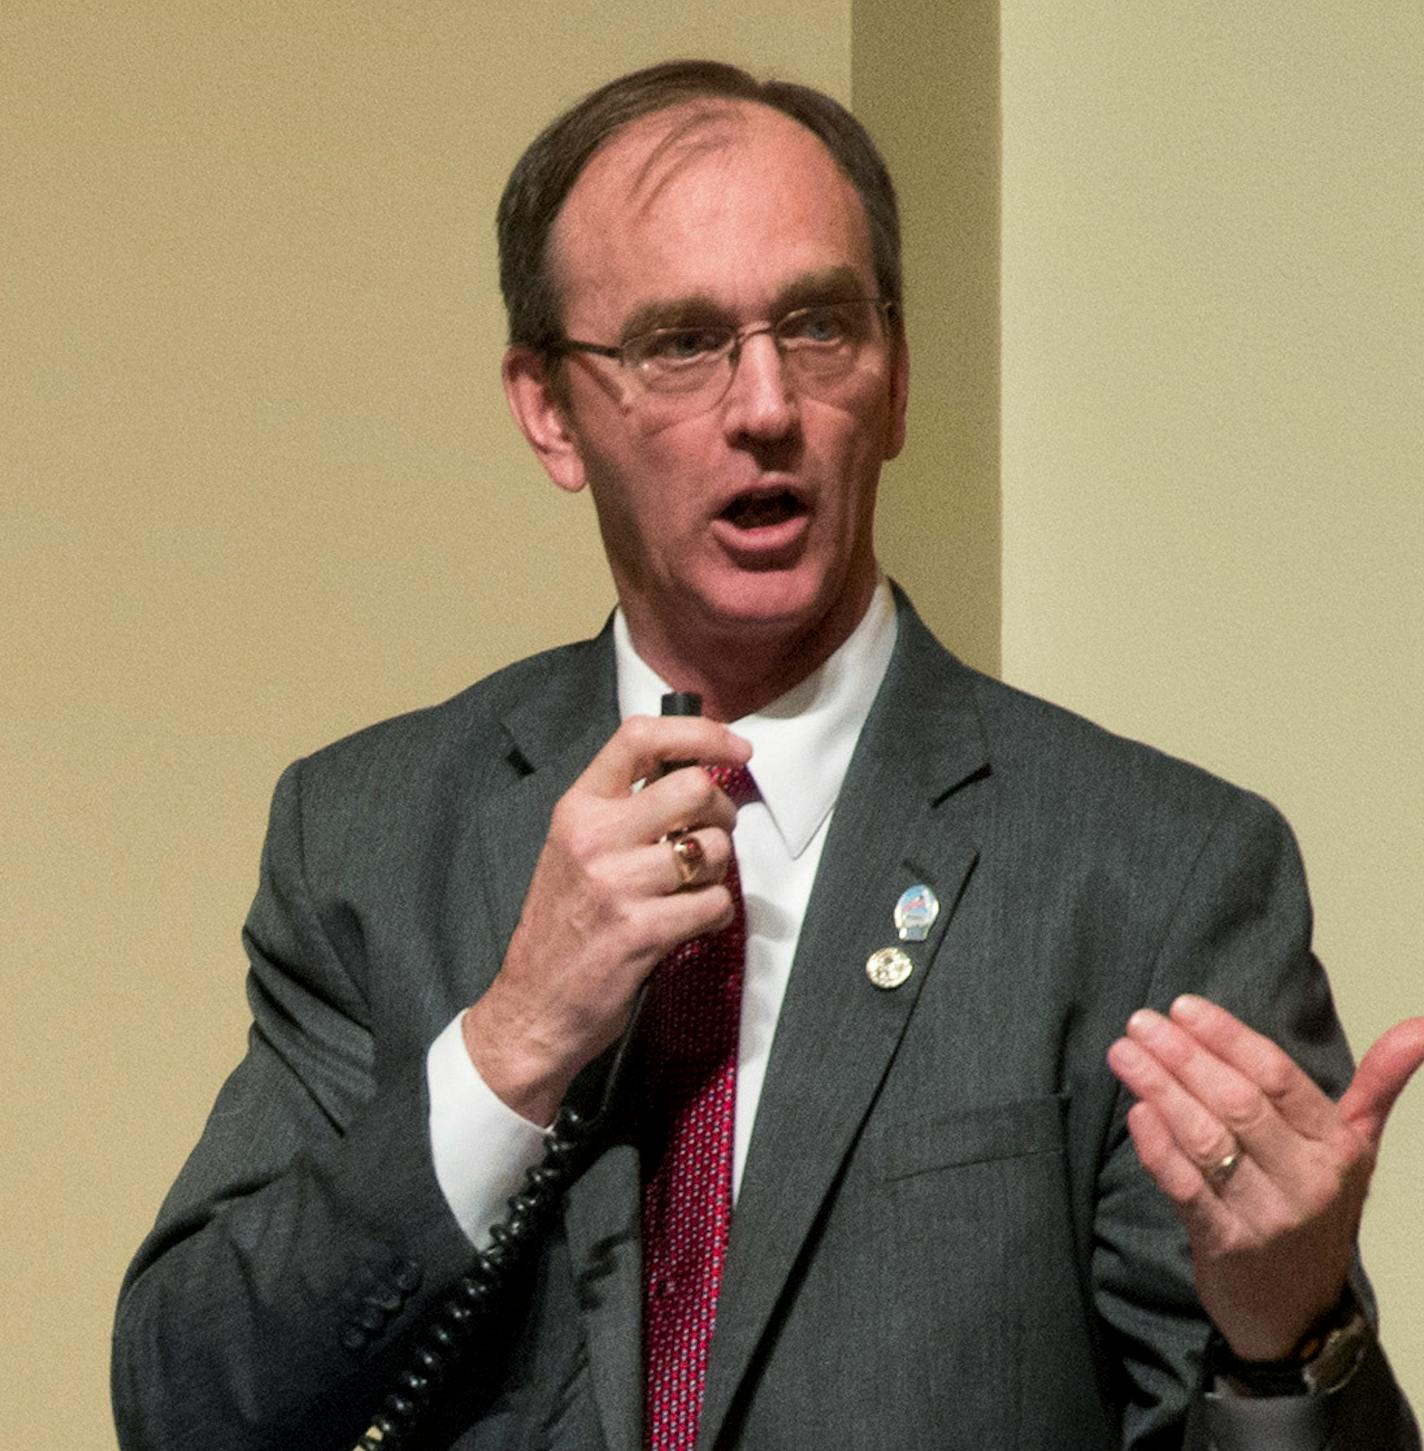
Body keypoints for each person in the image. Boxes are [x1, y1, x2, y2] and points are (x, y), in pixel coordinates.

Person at [113, 59, 1424, 1451]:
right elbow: (188, 1403)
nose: (765, 406)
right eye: (680, 342)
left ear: (900, 375)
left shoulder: (1150, 873)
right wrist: (511, 1048)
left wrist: (1280, 1341)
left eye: (817, 328)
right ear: (549, 409)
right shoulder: (372, 840)